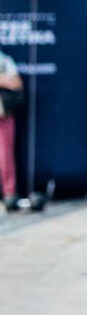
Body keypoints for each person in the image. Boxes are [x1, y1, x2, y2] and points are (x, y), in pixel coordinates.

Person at [0, 47, 23, 211]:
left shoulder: (4, 60)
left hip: (3, 113)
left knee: (5, 156)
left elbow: (16, 83)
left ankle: (9, 193)